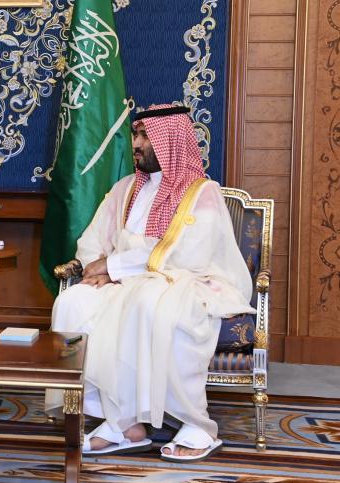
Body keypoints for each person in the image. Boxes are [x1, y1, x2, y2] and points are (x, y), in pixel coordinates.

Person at [49, 105, 254, 462]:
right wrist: (94, 268)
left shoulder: (202, 193)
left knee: (150, 304)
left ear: (170, 141)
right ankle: (122, 423)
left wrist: (113, 266)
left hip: (188, 280)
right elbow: (95, 239)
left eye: (146, 136)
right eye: (135, 135)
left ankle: (196, 424)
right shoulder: (126, 188)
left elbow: (188, 254)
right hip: (127, 281)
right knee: (73, 302)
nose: (136, 144)